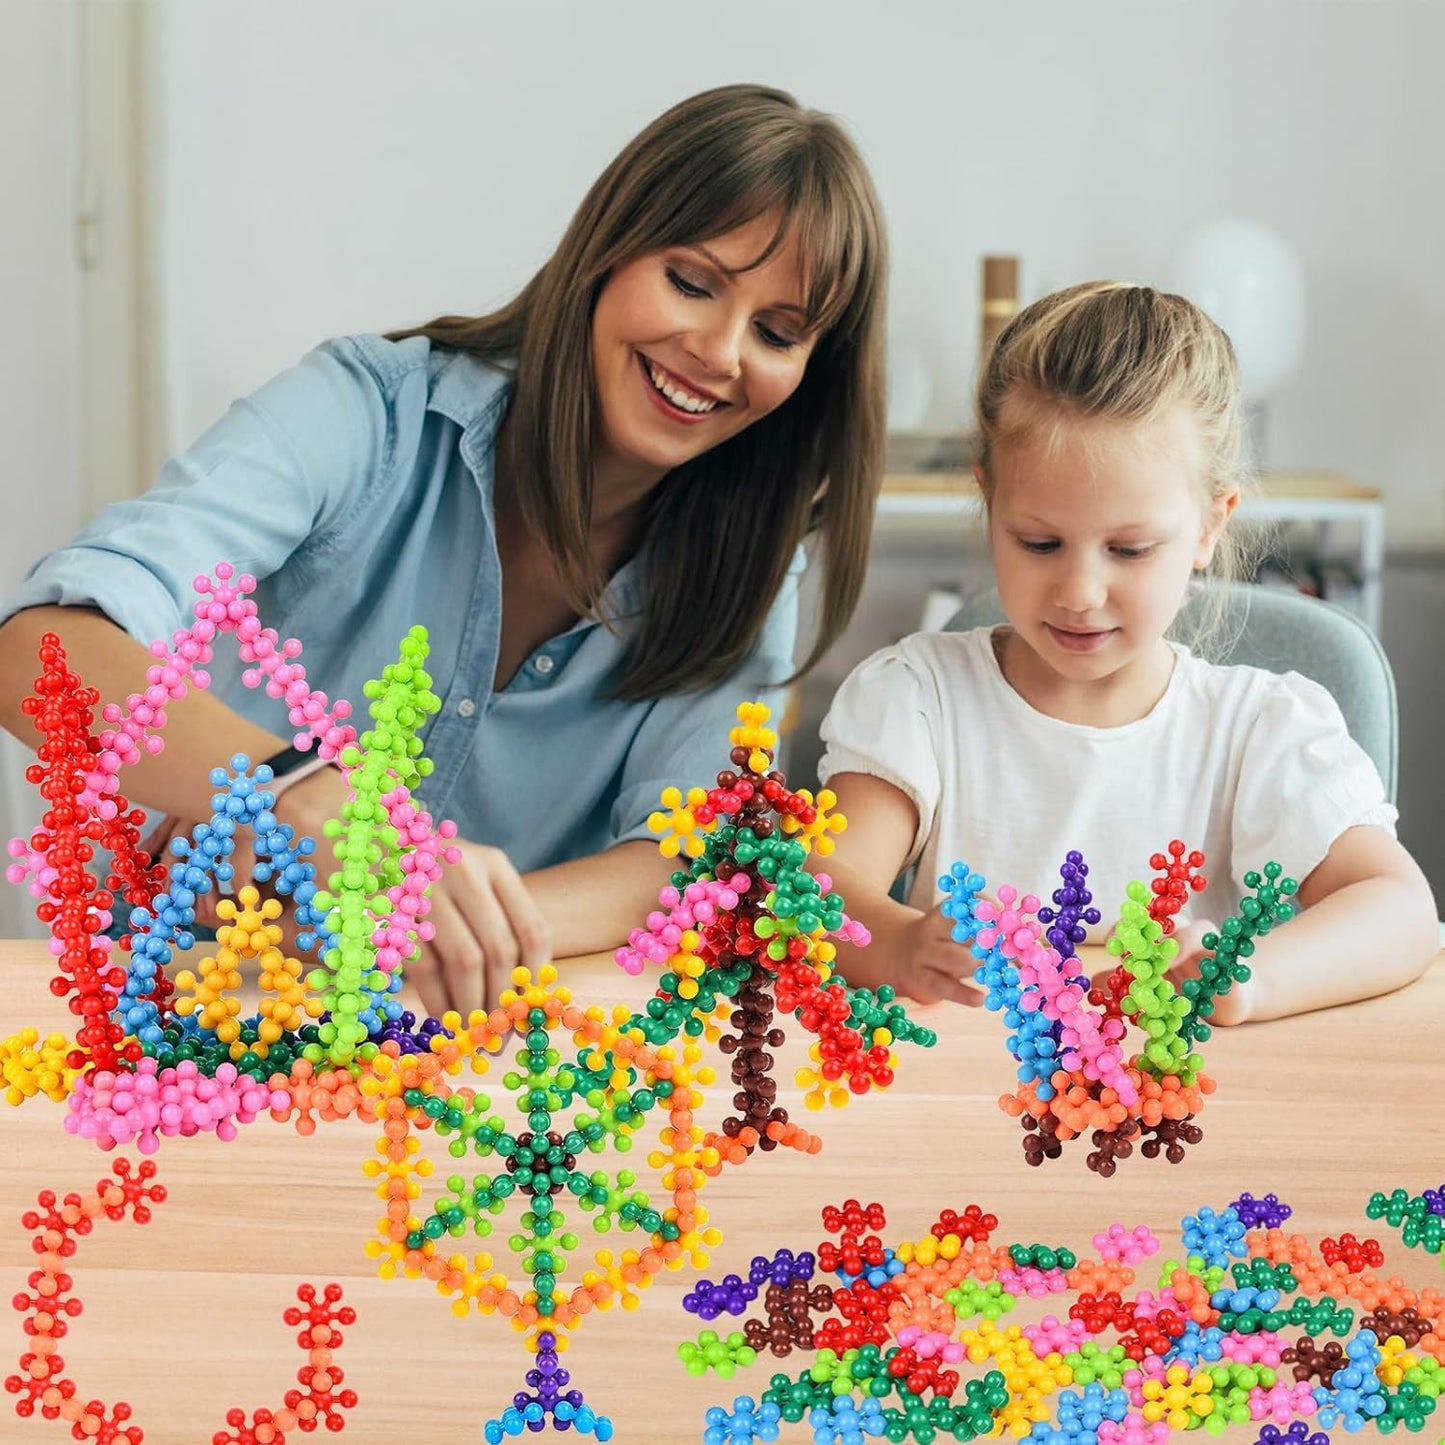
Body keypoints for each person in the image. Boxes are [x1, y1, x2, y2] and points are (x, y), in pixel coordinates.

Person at [0, 83, 888, 1016]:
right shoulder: (360, 412)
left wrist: (421, 919)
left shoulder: (750, 567)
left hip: (460, 1052)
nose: (718, 349)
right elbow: (38, 655)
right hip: (161, 1010)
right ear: (608, 252)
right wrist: (310, 804)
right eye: (692, 282)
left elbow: (686, 862)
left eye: (777, 332)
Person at [817, 281, 1438, 1023]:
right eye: (1038, 542)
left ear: (1210, 525)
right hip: (962, 1105)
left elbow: (1398, 909)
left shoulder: (1260, 727)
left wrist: (1253, 980)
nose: (1079, 591)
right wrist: (893, 945)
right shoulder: (916, 694)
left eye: (1130, 548)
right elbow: (820, 883)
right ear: (989, 505)